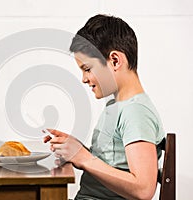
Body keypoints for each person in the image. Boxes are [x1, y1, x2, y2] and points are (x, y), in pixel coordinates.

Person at [44, 14, 165, 200]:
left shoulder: (136, 112)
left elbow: (143, 189)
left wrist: (84, 158)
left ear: (115, 61)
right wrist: (76, 150)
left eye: (87, 69)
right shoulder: (116, 105)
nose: (84, 79)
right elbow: (113, 163)